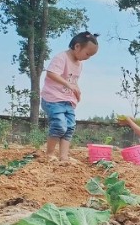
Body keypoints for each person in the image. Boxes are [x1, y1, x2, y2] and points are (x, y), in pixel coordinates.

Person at [40, 31, 99, 161]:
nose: (88, 57)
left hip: (68, 100)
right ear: (77, 46)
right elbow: (51, 73)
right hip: (53, 98)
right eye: (87, 54)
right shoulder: (61, 57)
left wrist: (77, 90)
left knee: (69, 127)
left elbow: (73, 81)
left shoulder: (79, 64)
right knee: (59, 125)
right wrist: (69, 85)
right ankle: (49, 154)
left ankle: (64, 157)